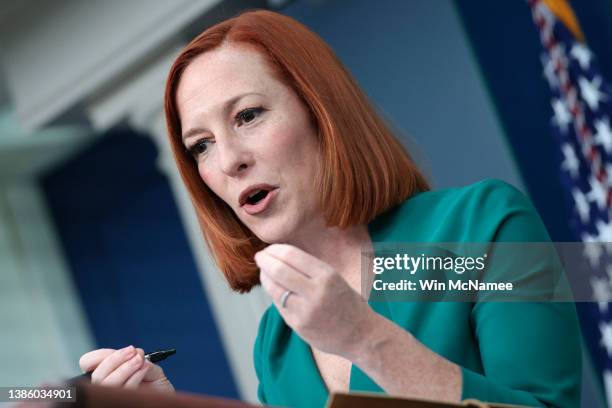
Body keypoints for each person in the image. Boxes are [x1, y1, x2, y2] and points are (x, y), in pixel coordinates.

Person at [78, 9, 582, 408]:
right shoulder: (276, 343)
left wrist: (366, 339)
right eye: (201, 145)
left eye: (248, 115)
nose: (229, 160)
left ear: (321, 110)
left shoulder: (485, 224)